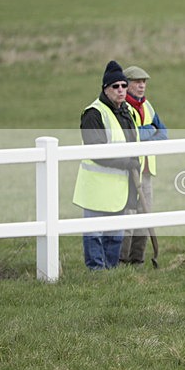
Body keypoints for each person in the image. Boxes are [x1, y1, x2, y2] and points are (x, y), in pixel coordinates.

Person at [72, 60, 140, 270]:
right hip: (96, 186)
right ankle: (96, 271)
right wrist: (127, 163)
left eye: (123, 85)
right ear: (105, 89)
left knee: (115, 233)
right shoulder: (93, 114)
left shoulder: (126, 111)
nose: (120, 90)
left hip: (118, 186)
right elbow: (96, 152)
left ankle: (110, 270)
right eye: (115, 87)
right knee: (94, 233)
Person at [119, 65, 168, 266]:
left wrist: (144, 132)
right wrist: (149, 130)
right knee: (129, 215)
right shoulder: (122, 108)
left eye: (144, 82)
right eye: (137, 82)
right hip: (129, 170)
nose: (141, 85)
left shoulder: (148, 106)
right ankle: (121, 260)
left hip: (146, 171)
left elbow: (164, 133)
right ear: (127, 84)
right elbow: (131, 136)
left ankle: (137, 260)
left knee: (145, 215)